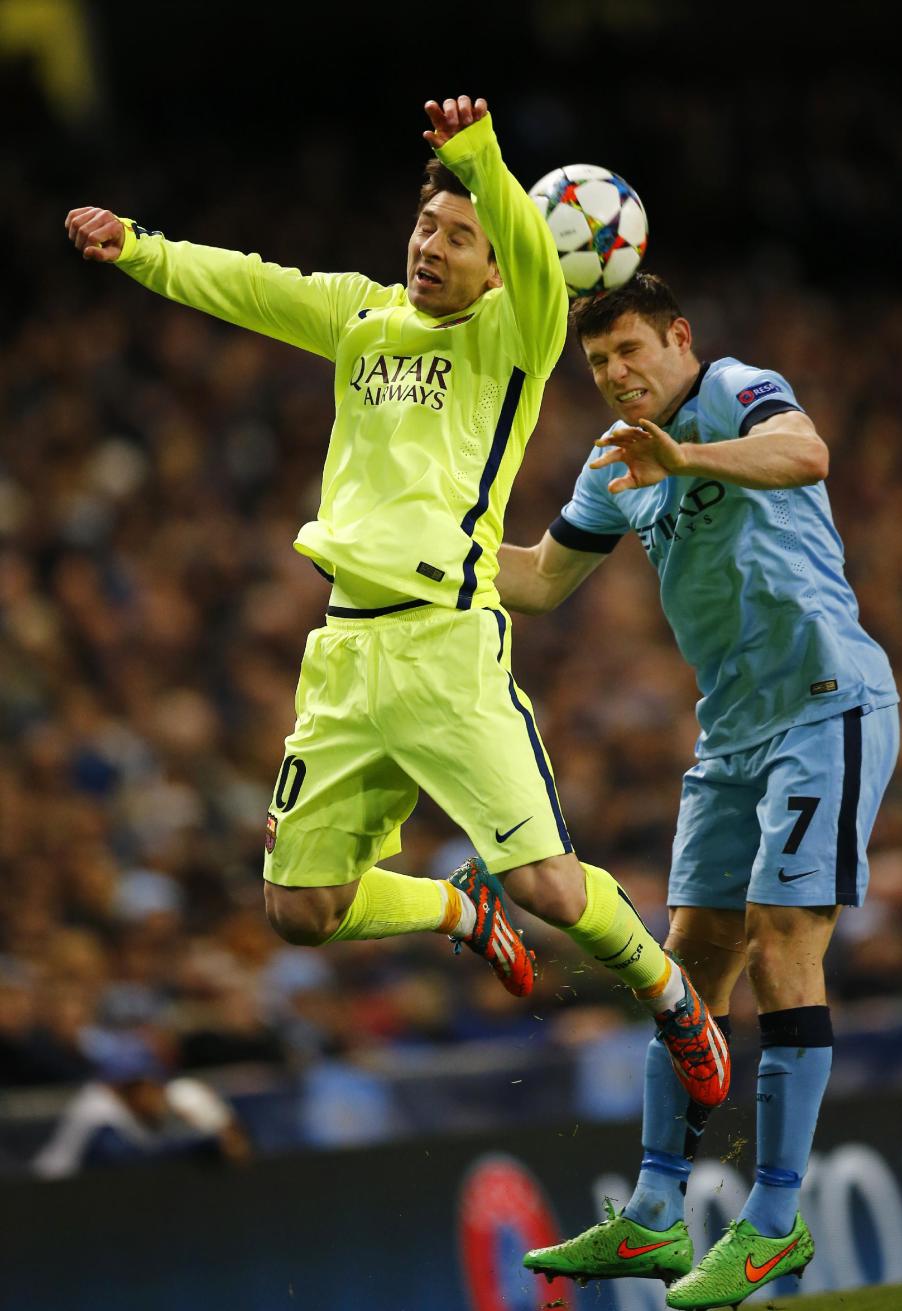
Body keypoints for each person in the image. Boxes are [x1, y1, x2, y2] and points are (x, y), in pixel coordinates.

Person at [64, 100, 730, 1114]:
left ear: (500, 264)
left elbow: (533, 256)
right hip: (344, 653)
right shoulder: (363, 318)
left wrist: (477, 157)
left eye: (462, 236)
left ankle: (671, 994)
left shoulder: (522, 331)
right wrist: (139, 251)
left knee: (549, 889)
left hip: (448, 652)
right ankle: (456, 914)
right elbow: (248, 283)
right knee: (299, 910)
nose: (433, 246)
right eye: (427, 226)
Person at [507, 273, 899, 1306]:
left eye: (630, 351)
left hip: (828, 704)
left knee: (783, 931)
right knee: (688, 966)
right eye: (597, 365)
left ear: (678, 340)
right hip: (729, 737)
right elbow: (541, 579)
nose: (617, 376)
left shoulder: (735, 388)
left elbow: (808, 452)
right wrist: (417, 554)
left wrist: (685, 454)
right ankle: (650, 1214)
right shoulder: (611, 465)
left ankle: (773, 1221)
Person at [33, 1039, 250, 1176]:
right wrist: (202, 1145)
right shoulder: (97, 1108)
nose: (155, 1094)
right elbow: (130, 1161)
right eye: (147, 1086)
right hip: (49, 1197)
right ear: (126, 1086)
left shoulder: (135, 1110)